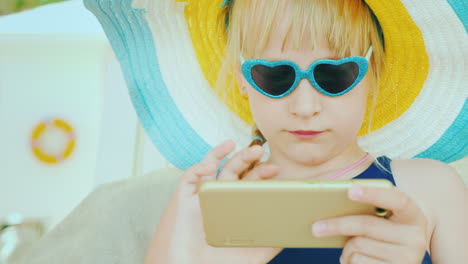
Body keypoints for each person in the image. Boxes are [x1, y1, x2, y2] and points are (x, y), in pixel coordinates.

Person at [9, 0, 467, 263]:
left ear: (373, 75)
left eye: (334, 74)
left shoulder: (432, 188)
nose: (305, 106)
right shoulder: (203, 201)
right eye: (274, 76)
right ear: (243, 82)